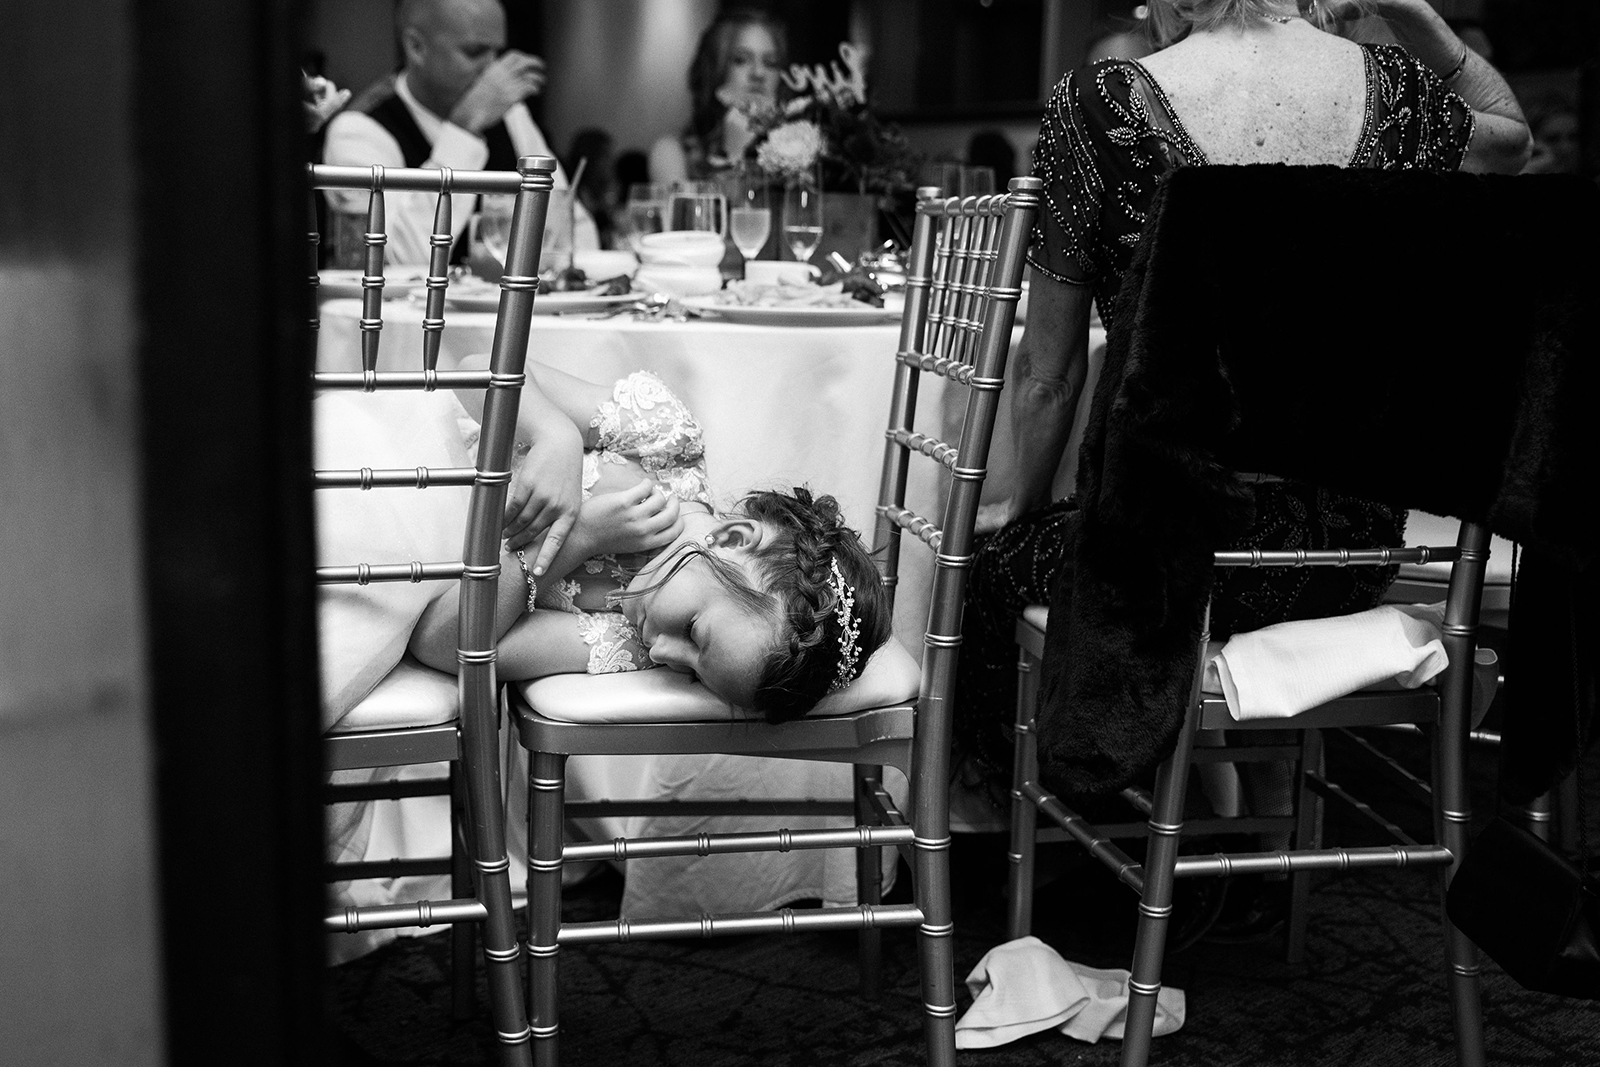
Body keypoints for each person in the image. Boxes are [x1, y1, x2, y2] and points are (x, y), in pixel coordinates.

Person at [954, 1, 1532, 932]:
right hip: (1347, 559)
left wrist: (1022, 509)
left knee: (992, 572)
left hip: (1163, 558)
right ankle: (1243, 850)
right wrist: (1414, 15)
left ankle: (1109, 852)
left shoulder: (1099, 106)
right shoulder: (1398, 91)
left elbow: (1048, 379)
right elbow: (1512, 139)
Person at [399, 363, 892, 720]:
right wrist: (555, 435)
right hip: (398, 464)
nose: (663, 656)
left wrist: (578, 539)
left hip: (394, 573)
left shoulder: (625, 636)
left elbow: (444, 646)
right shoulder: (662, 441)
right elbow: (475, 371)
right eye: (695, 632)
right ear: (734, 537)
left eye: (693, 675)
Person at [321, 0, 597, 264]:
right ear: (416, 48)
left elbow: (575, 231)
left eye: (496, 53)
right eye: (474, 52)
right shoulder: (358, 131)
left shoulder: (511, 116)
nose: (492, 70)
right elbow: (399, 259)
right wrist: (464, 128)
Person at [649, 8, 786, 184]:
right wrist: (734, 155)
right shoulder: (672, 153)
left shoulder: (796, 150)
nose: (759, 73)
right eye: (741, 60)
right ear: (713, 70)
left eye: (770, 63)